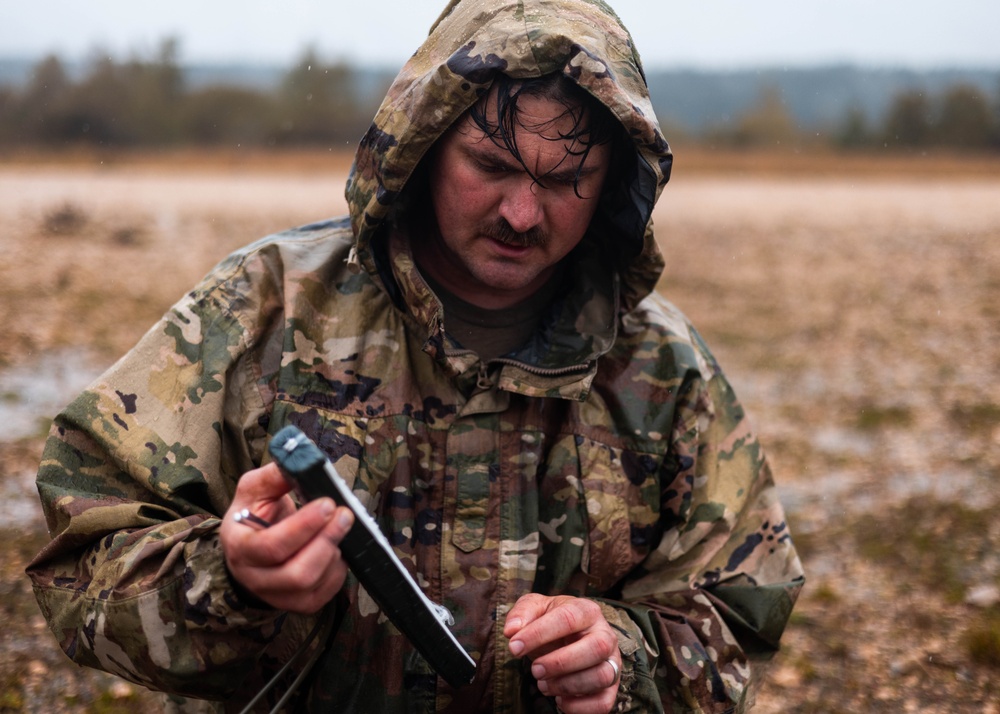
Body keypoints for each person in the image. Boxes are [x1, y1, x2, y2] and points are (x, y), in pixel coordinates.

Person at [27, 0, 805, 712]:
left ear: (614, 187)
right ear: (424, 145)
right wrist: (230, 579)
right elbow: (79, 561)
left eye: (567, 180)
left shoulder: (666, 368)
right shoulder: (262, 307)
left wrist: (622, 660)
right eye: (491, 166)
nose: (522, 213)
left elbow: (737, 616)